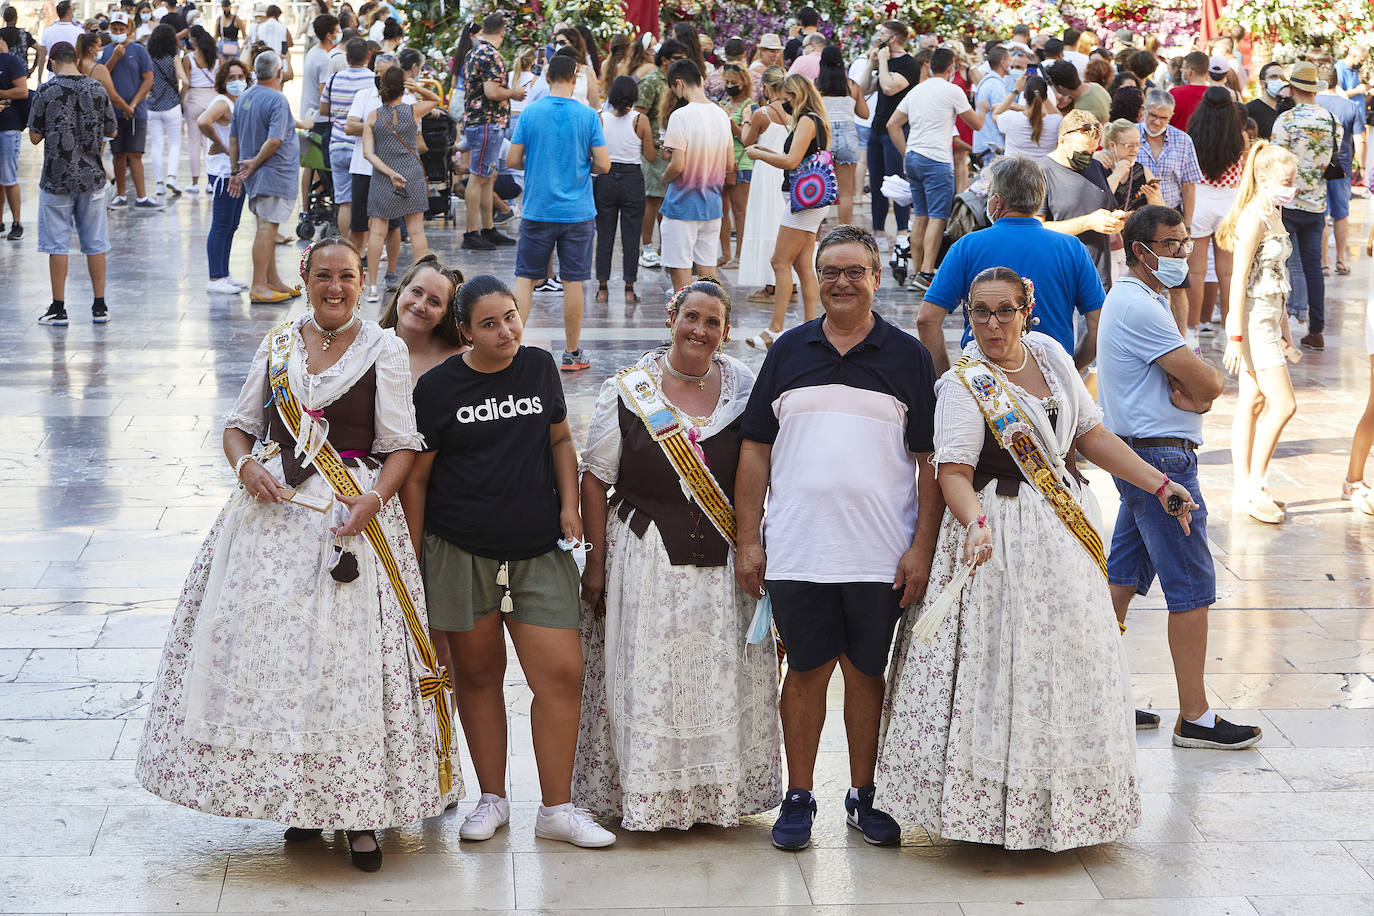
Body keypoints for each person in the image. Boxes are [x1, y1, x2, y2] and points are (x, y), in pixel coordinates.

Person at [137, 237, 459, 874]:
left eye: (346, 276)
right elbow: (238, 427)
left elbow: (401, 445)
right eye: (322, 276)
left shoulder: (385, 349)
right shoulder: (280, 341)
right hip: (272, 525)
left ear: (365, 280)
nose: (334, 287)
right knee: (283, 667)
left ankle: (361, 814)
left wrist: (372, 501)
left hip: (350, 521)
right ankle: (304, 802)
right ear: (305, 278)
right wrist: (247, 464)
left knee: (350, 670)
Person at [878, 265, 1199, 849]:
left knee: (1064, 662)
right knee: (1001, 662)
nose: (992, 323)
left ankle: (1064, 805)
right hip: (996, 536)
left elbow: (1092, 436)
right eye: (980, 312)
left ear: (1029, 310)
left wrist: (1158, 484)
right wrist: (974, 523)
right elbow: (952, 470)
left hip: (1061, 534)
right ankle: (990, 813)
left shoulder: (1050, 357)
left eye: (1004, 310)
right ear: (967, 317)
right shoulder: (962, 384)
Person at [735, 224, 939, 851]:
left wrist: (921, 548)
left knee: (866, 673)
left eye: (857, 272)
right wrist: (749, 538)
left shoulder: (908, 356)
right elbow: (754, 450)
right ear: (816, 277)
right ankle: (799, 798)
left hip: (880, 553)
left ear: (877, 278)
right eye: (832, 271)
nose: (843, 282)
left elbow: (930, 460)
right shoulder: (787, 351)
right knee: (803, 673)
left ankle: (863, 793)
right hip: (799, 548)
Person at [403, 274, 617, 850]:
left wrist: (570, 505)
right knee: (476, 675)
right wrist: (417, 558)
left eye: (511, 317)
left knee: (562, 674)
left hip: (538, 548)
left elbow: (560, 440)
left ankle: (557, 807)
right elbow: (417, 479)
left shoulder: (540, 367)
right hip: (458, 548)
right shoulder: (438, 388)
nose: (505, 331)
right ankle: (492, 797)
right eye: (489, 323)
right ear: (466, 331)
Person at [574, 277, 784, 830]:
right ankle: (648, 796)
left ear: (725, 332)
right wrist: (594, 563)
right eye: (691, 317)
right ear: (671, 318)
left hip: (724, 566)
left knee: (716, 679)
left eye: (712, 322)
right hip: (646, 560)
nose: (700, 330)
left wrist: (755, 544)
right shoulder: (628, 389)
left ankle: (714, 798)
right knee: (651, 679)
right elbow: (594, 480)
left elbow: (760, 468)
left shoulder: (744, 389)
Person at [1099, 205, 1263, 750]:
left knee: (1120, 580)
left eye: (1185, 244)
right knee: (1191, 588)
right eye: (1171, 245)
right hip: (1162, 466)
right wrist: (1202, 389)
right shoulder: (1139, 306)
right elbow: (1208, 381)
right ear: (1140, 250)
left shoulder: (1148, 300)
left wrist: (1196, 389)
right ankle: (1195, 716)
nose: (1182, 255)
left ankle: (1095, 694)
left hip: (1146, 457)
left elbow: (1193, 377)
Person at [917, 156, 1104, 374]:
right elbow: (1100, 326)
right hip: (1051, 380)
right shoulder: (1072, 248)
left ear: (997, 201)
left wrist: (945, 377)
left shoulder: (967, 247)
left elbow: (927, 319)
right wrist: (1070, 368)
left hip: (983, 384)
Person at [509, 53, 609, 372]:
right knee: (573, 281)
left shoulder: (531, 112)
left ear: (547, 77)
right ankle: (572, 352)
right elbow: (604, 164)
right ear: (576, 77)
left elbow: (512, 159)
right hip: (578, 212)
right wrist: (583, 166)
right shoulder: (589, 116)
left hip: (537, 209)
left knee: (525, 278)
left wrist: (536, 162)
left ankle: (511, 348)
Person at [1216, 142, 1300, 523]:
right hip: (1253, 324)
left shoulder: (1275, 210)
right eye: (1287, 180)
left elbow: (1276, 277)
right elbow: (1237, 279)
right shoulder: (1253, 218)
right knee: (1283, 405)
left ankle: (1244, 488)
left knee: (1252, 405)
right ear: (1264, 178)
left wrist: (1286, 330)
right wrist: (1234, 335)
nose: (1292, 185)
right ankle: (1254, 484)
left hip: (1270, 319)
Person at [28, 40, 117, 327]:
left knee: (57, 244)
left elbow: (34, 136)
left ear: (53, 62)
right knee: (96, 243)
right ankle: (99, 306)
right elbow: (111, 130)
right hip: (92, 177)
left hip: (56, 177)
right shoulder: (96, 88)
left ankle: (59, 307)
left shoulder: (46, 90)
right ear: (76, 60)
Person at [743, 73, 829, 349]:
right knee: (802, 265)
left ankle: (775, 330)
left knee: (779, 262)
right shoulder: (815, 119)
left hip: (803, 205)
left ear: (797, 95)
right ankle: (811, 326)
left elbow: (792, 160)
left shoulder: (807, 120)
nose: (784, 103)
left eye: (787, 98)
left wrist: (759, 154)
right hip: (808, 202)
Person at [887, 46, 983, 292]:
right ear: (951, 68)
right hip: (937, 160)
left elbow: (892, 124)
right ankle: (927, 272)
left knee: (920, 216)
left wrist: (906, 151)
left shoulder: (917, 90)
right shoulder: (953, 90)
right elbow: (976, 124)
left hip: (914, 157)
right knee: (938, 217)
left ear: (929, 66)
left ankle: (917, 272)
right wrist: (982, 107)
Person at [1271, 61, 1337, 351]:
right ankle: (1316, 329)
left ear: (1293, 88)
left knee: (1276, 264)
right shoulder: (1331, 119)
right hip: (1316, 203)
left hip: (1286, 202)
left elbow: (1275, 163)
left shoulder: (1286, 120)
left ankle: (1277, 326)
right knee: (1313, 268)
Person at [229, 49, 299, 304]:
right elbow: (275, 140)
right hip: (272, 173)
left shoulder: (244, 97)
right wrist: (255, 163)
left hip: (256, 175)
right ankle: (259, 285)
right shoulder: (276, 99)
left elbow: (233, 139)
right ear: (279, 73)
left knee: (267, 227)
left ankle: (272, 280)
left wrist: (236, 171)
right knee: (267, 229)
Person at [360, 66, 436, 302]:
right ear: (403, 87)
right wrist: (418, 87)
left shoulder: (373, 115)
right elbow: (435, 99)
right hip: (412, 173)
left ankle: (372, 286)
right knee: (416, 230)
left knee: (377, 232)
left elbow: (367, 153)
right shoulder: (413, 111)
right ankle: (423, 283)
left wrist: (390, 172)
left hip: (383, 178)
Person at [658, 59, 732, 292]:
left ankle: (681, 324)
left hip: (682, 205)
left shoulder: (680, 116)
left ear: (678, 83)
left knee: (680, 277)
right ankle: (716, 323)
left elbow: (677, 165)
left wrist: (664, 177)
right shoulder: (721, 115)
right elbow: (729, 164)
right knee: (709, 274)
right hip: (712, 205)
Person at [1184, 86, 1246, 347]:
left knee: (1196, 272)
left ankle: (1193, 331)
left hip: (1200, 200)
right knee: (1229, 273)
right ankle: (1233, 330)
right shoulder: (1240, 137)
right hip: (1229, 203)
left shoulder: (1193, 134)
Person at [1038, 109, 1125, 290]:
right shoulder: (1040, 172)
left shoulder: (1096, 166)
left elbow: (1108, 209)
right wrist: (1087, 223)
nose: (1088, 157)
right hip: (1058, 279)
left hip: (1098, 279)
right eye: (1083, 152)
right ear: (1063, 141)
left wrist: (1116, 221)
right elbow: (1035, 229)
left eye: (1093, 151)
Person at [1137, 89, 1201, 332]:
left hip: (1171, 219)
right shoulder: (1132, 134)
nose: (1157, 122)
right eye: (1153, 116)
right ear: (1144, 110)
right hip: (1138, 220)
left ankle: (1180, 338)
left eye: (1164, 118)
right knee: (1141, 281)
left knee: (1178, 284)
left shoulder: (1182, 140)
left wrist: (1188, 225)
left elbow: (1189, 185)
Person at [460, 13, 520, 252]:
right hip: (487, 121)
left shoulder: (474, 51)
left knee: (487, 178)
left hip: (480, 122)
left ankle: (487, 228)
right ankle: (471, 232)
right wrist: (513, 93)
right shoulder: (490, 53)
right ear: (502, 31)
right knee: (478, 178)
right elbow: (492, 92)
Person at [594, 75, 652, 305]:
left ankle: (602, 288)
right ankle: (629, 288)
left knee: (605, 236)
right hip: (632, 178)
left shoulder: (600, 118)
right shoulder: (641, 120)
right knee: (631, 235)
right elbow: (650, 155)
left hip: (605, 177)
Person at [344, 50, 403, 272]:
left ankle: (392, 271)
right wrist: (378, 127)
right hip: (363, 168)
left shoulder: (405, 98)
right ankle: (352, 268)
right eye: (376, 72)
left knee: (393, 225)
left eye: (384, 73)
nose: (379, 77)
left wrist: (370, 127)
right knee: (358, 224)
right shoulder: (364, 95)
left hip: (392, 170)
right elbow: (350, 126)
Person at [863, 20, 918, 247]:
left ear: (893, 38)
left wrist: (883, 62)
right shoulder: (883, 62)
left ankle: (902, 231)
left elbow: (888, 87)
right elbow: (865, 88)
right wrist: (871, 63)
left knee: (896, 182)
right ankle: (878, 231)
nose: (878, 36)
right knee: (876, 183)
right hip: (876, 128)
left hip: (896, 130)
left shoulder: (909, 64)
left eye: (883, 33)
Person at [738, 65, 790, 305]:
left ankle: (770, 285)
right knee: (783, 224)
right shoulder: (795, 111)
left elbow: (746, 140)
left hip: (766, 170)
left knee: (765, 223)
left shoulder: (762, 114)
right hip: (786, 169)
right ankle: (789, 282)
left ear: (767, 87)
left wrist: (746, 119)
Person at [633, 38, 687, 269]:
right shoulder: (651, 82)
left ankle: (666, 245)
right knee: (652, 200)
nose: (681, 63)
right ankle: (646, 246)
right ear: (664, 60)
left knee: (668, 200)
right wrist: (648, 147)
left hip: (674, 148)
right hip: (654, 149)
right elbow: (639, 115)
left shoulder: (678, 81)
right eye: (677, 59)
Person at [200, 56, 250, 294]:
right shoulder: (223, 102)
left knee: (231, 224)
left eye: (241, 77)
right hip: (223, 172)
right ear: (223, 81)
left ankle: (224, 273)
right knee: (221, 224)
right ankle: (215, 277)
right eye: (232, 77)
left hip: (235, 170)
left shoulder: (238, 102)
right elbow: (202, 121)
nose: (237, 81)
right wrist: (221, 144)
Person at [100, 12, 158, 209]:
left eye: (121, 29)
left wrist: (133, 104)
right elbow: (101, 76)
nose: (118, 32)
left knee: (135, 153)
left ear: (128, 30)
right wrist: (115, 58)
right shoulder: (105, 51)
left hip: (136, 111)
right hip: (112, 112)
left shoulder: (139, 50)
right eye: (114, 29)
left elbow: (148, 79)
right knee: (118, 153)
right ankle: (121, 194)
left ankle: (141, 196)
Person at [379, 253, 466, 381]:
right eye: (416, 292)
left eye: (434, 301)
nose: (420, 306)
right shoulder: (366, 347)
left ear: (444, 315)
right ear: (400, 293)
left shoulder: (460, 361)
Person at [319, 37, 372, 238]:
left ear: (347, 57)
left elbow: (324, 109)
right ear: (368, 56)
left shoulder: (334, 79)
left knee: (344, 201)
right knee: (364, 202)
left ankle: (345, 246)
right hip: (361, 148)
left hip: (337, 144)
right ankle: (362, 247)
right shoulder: (372, 80)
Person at [1316, 64, 1364, 277]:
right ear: (1337, 82)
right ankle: (1341, 260)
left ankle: (1324, 262)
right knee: (1341, 215)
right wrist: (1361, 166)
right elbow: (1360, 141)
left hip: (1316, 168)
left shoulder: (1313, 104)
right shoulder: (1349, 107)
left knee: (1322, 215)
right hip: (1342, 167)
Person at [816, 46, 866, 228]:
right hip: (848, 137)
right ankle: (844, 231)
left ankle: (816, 230)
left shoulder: (815, 86)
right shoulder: (852, 86)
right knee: (846, 193)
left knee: (820, 188)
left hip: (823, 138)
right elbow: (865, 114)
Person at [717, 63, 754, 267]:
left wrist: (730, 119)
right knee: (722, 211)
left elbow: (747, 138)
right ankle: (725, 253)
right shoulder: (723, 102)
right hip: (722, 162)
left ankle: (740, 255)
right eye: (727, 82)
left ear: (743, 83)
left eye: (734, 82)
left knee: (739, 211)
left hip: (742, 162)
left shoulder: (750, 106)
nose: (730, 86)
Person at [143, 24, 183, 197]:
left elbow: (142, 79)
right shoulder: (173, 57)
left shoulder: (147, 58)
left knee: (156, 145)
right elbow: (185, 80)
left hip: (152, 106)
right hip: (172, 105)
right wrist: (180, 95)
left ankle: (159, 183)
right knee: (175, 144)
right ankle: (172, 177)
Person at [992, 73, 1061, 161]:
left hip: (1014, 172)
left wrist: (1016, 90)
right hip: (1044, 173)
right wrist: (1040, 91)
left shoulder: (1010, 118)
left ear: (1024, 96)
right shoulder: (1056, 122)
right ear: (1046, 97)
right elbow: (1059, 116)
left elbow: (995, 113)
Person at [0, 31, 25, 241]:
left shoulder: (10, 62)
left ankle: (17, 223)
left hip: (8, 126)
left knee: (9, 177)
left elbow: (22, 91)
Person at [970, 45, 1008, 165]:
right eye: (1010, 60)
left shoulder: (988, 82)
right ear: (1003, 62)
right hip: (994, 145)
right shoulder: (995, 85)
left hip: (988, 144)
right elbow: (999, 116)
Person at [1247, 62, 1292, 141]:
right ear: (1262, 83)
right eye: (1273, 77)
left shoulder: (1289, 108)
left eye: (1282, 77)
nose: (1279, 81)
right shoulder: (1249, 110)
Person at [1168, 51, 1209, 130]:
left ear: (1190, 71)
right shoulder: (1214, 94)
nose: (1182, 71)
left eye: (1183, 68)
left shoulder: (1175, 93)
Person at [1, 6, 38, 77]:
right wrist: (33, 68)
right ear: (16, 18)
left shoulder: (1, 34)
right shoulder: (24, 34)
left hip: (4, 74)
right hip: (21, 73)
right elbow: (39, 49)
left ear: (4, 19)